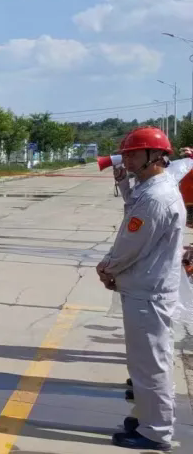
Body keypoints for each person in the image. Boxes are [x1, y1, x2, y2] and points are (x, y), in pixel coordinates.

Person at [96, 127, 183, 451]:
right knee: (146, 362)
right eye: (127, 154)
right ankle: (148, 417)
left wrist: (108, 267)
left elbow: (131, 243)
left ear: (155, 156)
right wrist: (122, 182)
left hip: (148, 292)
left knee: (150, 365)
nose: (128, 159)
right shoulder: (153, 189)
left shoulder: (156, 197)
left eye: (134, 154)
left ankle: (155, 431)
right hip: (146, 287)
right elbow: (133, 207)